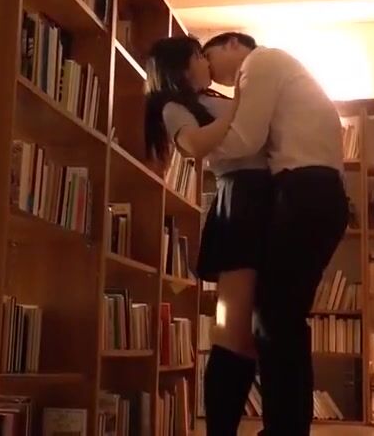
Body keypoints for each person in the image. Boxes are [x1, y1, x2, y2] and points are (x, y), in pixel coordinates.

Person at [203, 32, 350, 435]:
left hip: (304, 190)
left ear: (233, 44)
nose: (209, 70)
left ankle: (285, 429)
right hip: (317, 192)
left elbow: (244, 139)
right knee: (281, 318)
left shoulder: (259, 62)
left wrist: (199, 145)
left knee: (274, 319)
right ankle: (288, 427)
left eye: (209, 56)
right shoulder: (282, 69)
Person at [143, 36, 273, 436]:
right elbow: (194, 145)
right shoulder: (173, 106)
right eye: (200, 56)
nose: (206, 62)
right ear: (182, 66)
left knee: (257, 329)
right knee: (233, 332)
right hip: (242, 198)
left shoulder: (210, 98)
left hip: (265, 197)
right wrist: (242, 103)